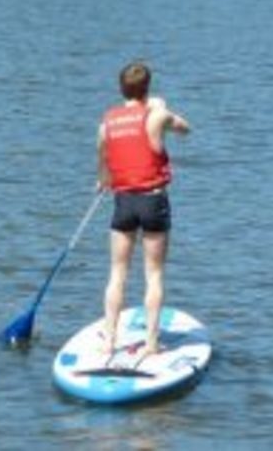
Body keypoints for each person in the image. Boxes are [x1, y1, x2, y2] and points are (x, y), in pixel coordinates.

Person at [97, 61, 190, 357]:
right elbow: (185, 128)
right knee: (154, 274)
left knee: (117, 273)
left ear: (121, 89)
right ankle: (151, 344)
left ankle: (109, 341)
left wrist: (103, 179)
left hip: (124, 202)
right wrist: (162, 107)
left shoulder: (107, 122)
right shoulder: (156, 115)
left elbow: (104, 160)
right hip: (152, 201)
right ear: (147, 88)